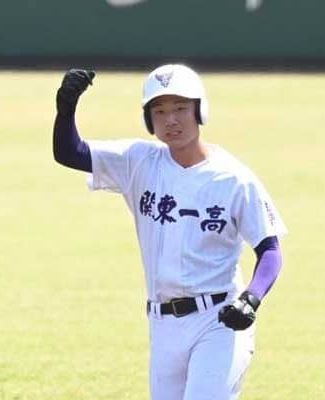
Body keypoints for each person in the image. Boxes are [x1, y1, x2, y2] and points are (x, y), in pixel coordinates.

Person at [52, 64, 287, 400]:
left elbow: (270, 250)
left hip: (219, 321)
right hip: (162, 325)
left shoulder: (234, 178)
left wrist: (251, 298)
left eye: (180, 108)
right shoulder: (138, 161)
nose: (171, 120)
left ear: (199, 111)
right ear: (149, 120)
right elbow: (69, 152)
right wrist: (66, 110)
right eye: (159, 111)